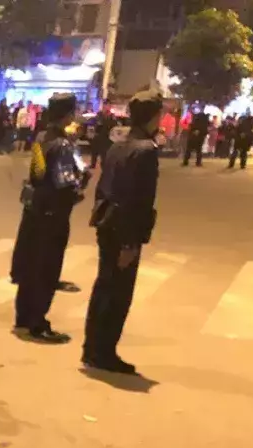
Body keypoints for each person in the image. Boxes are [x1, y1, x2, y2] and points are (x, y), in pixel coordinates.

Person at [83, 91, 163, 375]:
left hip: (106, 222)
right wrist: (131, 242)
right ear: (153, 117)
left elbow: (103, 187)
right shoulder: (146, 150)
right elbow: (138, 200)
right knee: (118, 293)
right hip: (124, 228)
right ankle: (104, 352)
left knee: (103, 286)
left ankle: (92, 348)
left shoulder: (117, 145)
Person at [10, 93, 90, 344]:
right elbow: (65, 183)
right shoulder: (62, 145)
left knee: (31, 267)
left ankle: (23, 318)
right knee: (46, 269)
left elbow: (37, 173)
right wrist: (81, 184)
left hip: (34, 209)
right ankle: (37, 323)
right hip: (53, 214)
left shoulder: (41, 138)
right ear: (68, 115)